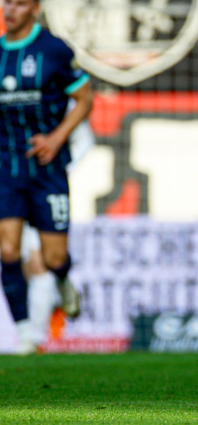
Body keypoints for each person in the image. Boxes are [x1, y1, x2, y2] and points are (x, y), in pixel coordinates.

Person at [0, 0, 92, 349]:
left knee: (54, 256)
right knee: (7, 250)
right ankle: (24, 331)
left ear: (34, 8)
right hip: (7, 167)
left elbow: (84, 99)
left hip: (48, 169)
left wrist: (56, 138)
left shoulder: (53, 50)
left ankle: (63, 280)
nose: (11, 9)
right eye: (8, 1)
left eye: (21, 4)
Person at [16, 112, 95, 355]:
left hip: (44, 186)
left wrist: (61, 163)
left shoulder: (54, 95)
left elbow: (85, 138)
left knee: (40, 262)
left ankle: (33, 338)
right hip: (9, 184)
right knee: (19, 262)